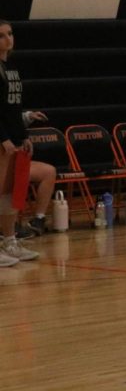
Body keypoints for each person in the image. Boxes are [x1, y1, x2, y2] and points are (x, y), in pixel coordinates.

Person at [0, 19, 45, 264]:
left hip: (13, 140)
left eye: (10, 33)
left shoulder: (12, 68)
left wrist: (23, 136)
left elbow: (12, 109)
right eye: (1, 36)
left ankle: (10, 241)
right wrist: (4, 138)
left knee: (9, 195)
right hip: (2, 142)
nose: (8, 39)